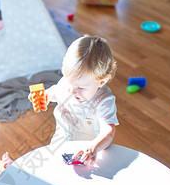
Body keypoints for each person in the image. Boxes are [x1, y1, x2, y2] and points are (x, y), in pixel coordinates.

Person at [40, 35, 119, 164]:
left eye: (80, 87)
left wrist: (93, 147)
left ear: (101, 82)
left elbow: (108, 131)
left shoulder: (104, 101)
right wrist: (45, 96)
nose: (72, 90)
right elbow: (56, 92)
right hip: (60, 143)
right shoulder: (68, 84)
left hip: (87, 152)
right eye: (69, 82)